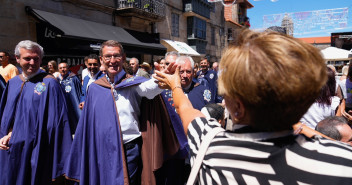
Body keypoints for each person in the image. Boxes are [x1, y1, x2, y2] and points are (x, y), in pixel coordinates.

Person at [154, 29, 352, 184]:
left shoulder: (211, 146)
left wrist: (175, 84)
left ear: (237, 106)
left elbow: (185, 108)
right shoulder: (342, 162)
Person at [64, 40, 180, 185]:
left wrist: (160, 79)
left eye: (116, 56)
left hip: (129, 148)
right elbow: (89, 122)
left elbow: (149, 89)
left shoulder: (134, 84)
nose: (112, 61)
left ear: (124, 58)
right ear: (101, 60)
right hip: (102, 148)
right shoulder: (94, 88)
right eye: (108, 56)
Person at [0, 40, 72, 185]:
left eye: (36, 58)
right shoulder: (13, 83)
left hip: (36, 149)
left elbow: (58, 122)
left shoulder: (49, 84)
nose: (32, 62)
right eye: (27, 58)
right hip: (9, 147)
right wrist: (6, 134)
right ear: (17, 58)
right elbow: (6, 115)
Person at [58, 62, 82, 133]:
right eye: (60, 68)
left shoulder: (73, 78)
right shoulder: (57, 79)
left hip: (73, 103)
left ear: (68, 68)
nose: (62, 69)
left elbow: (79, 91)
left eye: (64, 67)